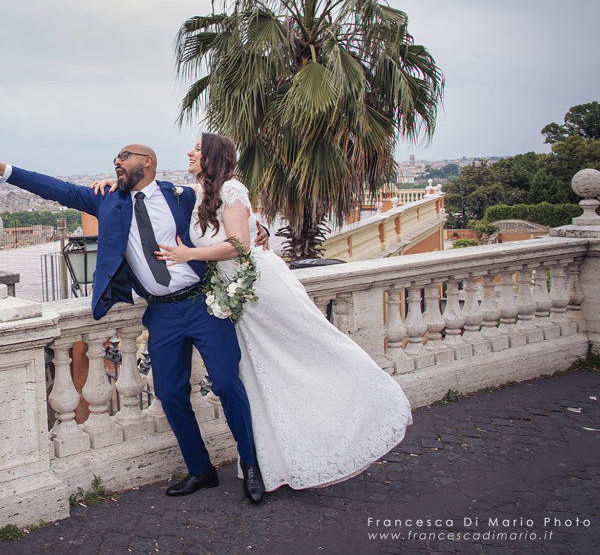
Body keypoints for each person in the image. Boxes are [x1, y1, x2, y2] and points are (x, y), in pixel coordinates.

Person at [94, 133, 412, 492]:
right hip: (222, 297)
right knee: (248, 376)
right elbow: (165, 198)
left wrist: (190, 255)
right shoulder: (193, 195)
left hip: (255, 291)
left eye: (197, 149)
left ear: (212, 157)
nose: (189, 153)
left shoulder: (229, 188)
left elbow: (238, 244)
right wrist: (115, 181)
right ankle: (228, 465)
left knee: (272, 364)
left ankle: (261, 460)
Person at [0, 146, 267, 503]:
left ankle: (251, 464)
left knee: (226, 382)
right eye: (115, 157)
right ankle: (200, 470)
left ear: (148, 162)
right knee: (170, 393)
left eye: (125, 155)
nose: (117, 160)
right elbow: (56, 189)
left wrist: (260, 227)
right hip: (161, 314)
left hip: (202, 302)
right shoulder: (108, 200)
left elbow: (223, 214)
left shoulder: (183, 196)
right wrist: (2, 169)